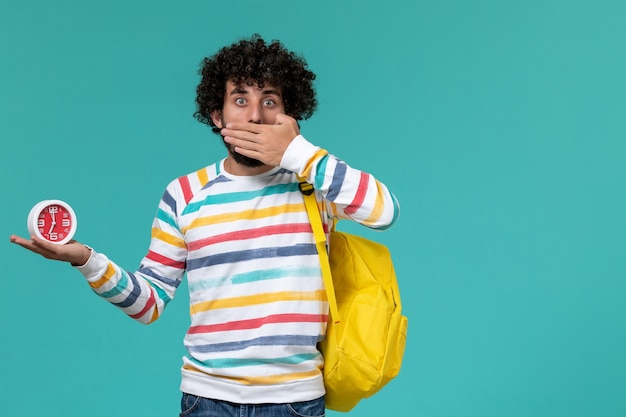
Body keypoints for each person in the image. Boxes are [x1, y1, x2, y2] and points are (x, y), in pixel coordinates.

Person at [10, 34, 399, 417]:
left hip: (295, 400)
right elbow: (148, 303)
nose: (255, 115)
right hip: (206, 401)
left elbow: (384, 212)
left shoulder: (313, 181)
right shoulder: (184, 194)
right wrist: (86, 260)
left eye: (269, 101)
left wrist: (297, 152)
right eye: (240, 99)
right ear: (218, 115)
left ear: (287, 115)